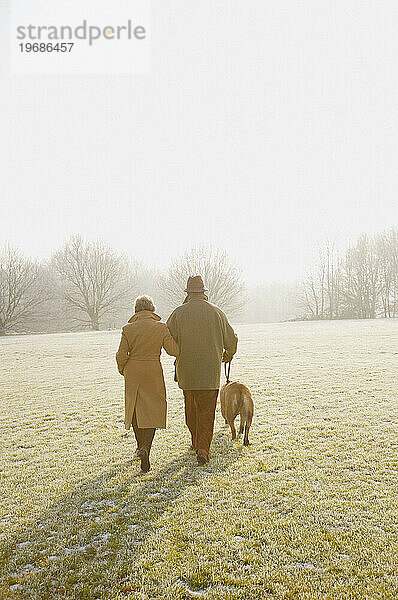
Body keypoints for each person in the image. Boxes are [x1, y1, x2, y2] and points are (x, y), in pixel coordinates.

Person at [167, 276, 238, 465]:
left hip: (187, 372)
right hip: (209, 374)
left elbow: (168, 340)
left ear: (188, 293)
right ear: (204, 292)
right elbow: (231, 339)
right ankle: (203, 449)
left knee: (191, 410)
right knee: (207, 412)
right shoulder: (217, 313)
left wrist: (178, 353)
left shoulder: (178, 313)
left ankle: (195, 442)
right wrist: (228, 354)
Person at [116, 295, 179, 473]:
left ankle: (139, 445)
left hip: (133, 371)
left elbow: (121, 355)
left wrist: (123, 369)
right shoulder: (160, 327)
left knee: (135, 409)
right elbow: (173, 351)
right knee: (152, 410)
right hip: (153, 370)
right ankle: (146, 448)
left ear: (136, 310)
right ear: (152, 309)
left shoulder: (128, 329)